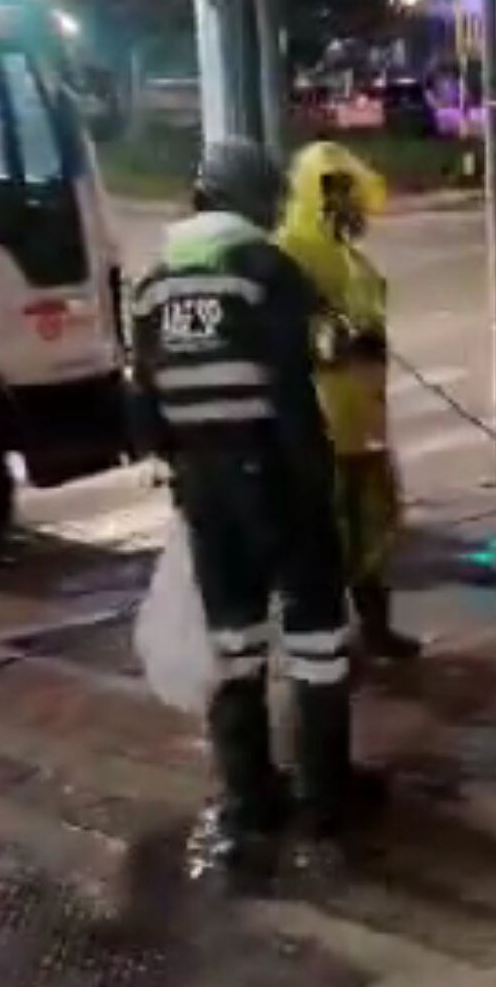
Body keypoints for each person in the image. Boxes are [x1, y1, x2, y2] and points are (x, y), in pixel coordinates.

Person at [128, 140, 378, 890]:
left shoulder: (152, 283)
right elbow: (294, 392)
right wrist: (319, 486)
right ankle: (325, 795)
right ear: (253, 202)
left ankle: (248, 796)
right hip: (275, 477)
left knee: (233, 642)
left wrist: (184, 471)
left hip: (205, 491)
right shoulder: (266, 270)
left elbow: (142, 407)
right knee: (317, 639)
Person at [277, 142, 423, 663]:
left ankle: (376, 630)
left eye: (349, 193)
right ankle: (323, 643)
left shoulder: (355, 261)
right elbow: (288, 333)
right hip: (321, 424)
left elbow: (369, 318)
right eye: (334, 193)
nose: (348, 207)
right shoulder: (290, 254)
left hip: (364, 420)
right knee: (326, 538)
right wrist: (336, 344)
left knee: (373, 532)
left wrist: (371, 342)